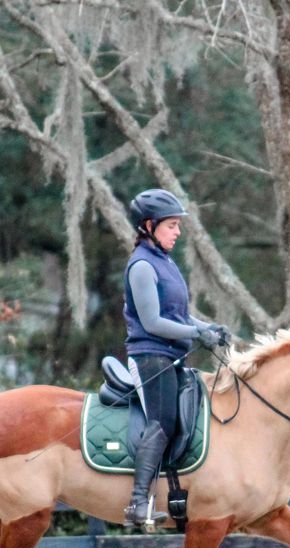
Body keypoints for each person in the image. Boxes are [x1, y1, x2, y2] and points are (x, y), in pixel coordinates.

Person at [123, 188, 229, 527]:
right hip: (149, 357)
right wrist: (197, 334)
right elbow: (153, 322)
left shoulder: (165, 263)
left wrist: (207, 326)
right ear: (150, 225)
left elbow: (179, 317)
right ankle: (139, 503)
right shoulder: (141, 265)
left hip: (170, 355)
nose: (178, 232)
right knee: (164, 420)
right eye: (171, 225)